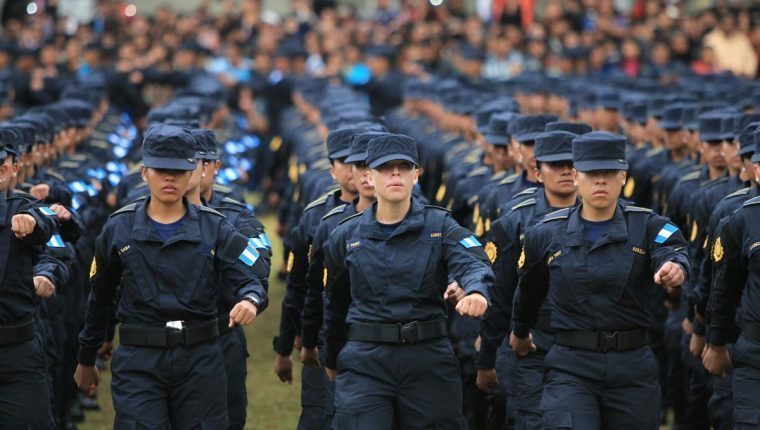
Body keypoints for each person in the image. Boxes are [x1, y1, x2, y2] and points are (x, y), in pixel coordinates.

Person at [74, 124, 269, 428]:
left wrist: (251, 299)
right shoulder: (118, 228)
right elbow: (100, 297)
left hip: (200, 360)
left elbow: (248, 274)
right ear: (144, 173)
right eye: (160, 170)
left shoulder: (215, 228)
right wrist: (87, 358)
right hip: (140, 361)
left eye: (177, 171)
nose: (169, 178)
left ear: (191, 174)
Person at [510, 131, 690, 428]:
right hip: (571, 366)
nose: (601, 181)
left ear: (623, 177)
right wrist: (520, 331)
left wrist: (675, 267)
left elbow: (673, 251)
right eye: (592, 173)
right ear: (576, 176)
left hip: (631, 366)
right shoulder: (546, 233)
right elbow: (529, 290)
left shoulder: (648, 225)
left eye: (609, 173)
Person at [323, 133, 494, 428]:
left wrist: (476, 290)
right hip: (366, 362)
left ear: (416, 175)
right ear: (369, 176)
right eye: (385, 167)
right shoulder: (345, 236)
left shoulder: (441, 226)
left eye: (403, 167)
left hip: (427, 359)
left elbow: (472, 261)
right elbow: (335, 303)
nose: (395, 174)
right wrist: (332, 357)